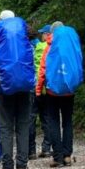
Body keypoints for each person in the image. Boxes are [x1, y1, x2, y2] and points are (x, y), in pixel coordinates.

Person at [0, 10, 34, 169]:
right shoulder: (24, 38)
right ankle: (21, 168)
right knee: (23, 126)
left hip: (3, 90)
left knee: (6, 128)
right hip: (24, 89)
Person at [36, 21, 76, 168]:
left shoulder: (49, 47)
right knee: (67, 122)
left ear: (52, 33)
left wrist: (38, 90)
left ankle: (57, 157)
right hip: (69, 90)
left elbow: (42, 70)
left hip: (52, 91)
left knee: (53, 121)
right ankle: (67, 156)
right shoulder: (70, 46)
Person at [29, 24, 52, 159]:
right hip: (47, 88)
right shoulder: (51, 48)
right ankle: (47, 148)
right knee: (47, 118)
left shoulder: (34, 48)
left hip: (33, 87)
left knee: (30, 119)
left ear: (47, 34)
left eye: (43, 33)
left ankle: (31, 150)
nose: (41, 35)